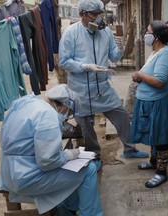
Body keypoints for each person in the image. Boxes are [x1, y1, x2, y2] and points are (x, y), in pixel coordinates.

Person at [0, 84, 103, 215]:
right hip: (26, 178)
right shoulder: (48, 114)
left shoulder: (26, 101)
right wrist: (69, 155)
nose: (66, 117)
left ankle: (66, 209)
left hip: (9, 171)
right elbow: (48, 161)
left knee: (72, 171)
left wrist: (64, 156)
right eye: (68, 113)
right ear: (64, 105)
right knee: (89, 170)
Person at [59, 0, 148, 159]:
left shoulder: (105, 32)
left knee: (121, 115)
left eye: (100, 13)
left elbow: (113, 56)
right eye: (94, 14)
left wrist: (120, 48)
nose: (98, 18)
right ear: (82, 14)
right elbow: (64, 61)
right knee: (86, 124)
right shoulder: (71, 33)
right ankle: (94, 155)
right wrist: (85, 66)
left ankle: (130, 149)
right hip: (81, 89)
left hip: (102, 87)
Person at [130, 20, 168, 188]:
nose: (146, 35)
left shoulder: (165, 54)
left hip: (157, 104)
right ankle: (153, 161)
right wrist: (139, 75)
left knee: (161, 137)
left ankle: (162, 172)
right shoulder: (155, 52)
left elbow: (159, 81)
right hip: (148, 102)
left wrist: (140, 76)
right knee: (152, 134)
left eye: (148, 32)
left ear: (156, 37)